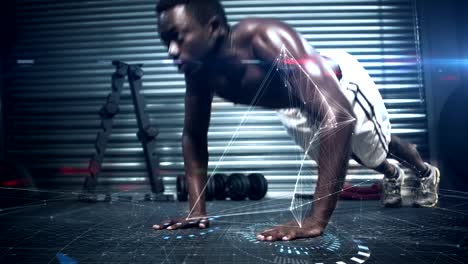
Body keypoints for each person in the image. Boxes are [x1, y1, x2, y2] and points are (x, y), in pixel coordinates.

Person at [152, 0, 440, 241]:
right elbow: (193, 136)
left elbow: (338, 115)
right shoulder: (198, 71)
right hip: (295, 104)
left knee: (373, 146)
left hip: (340, 83)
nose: (171, 52)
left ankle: (424, 171)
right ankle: (391, 173)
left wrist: (314, 220)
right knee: (348, 153)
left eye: (178, 37)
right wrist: (196, 210)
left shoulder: (263, 38)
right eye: (165, 42)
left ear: (213, 28)